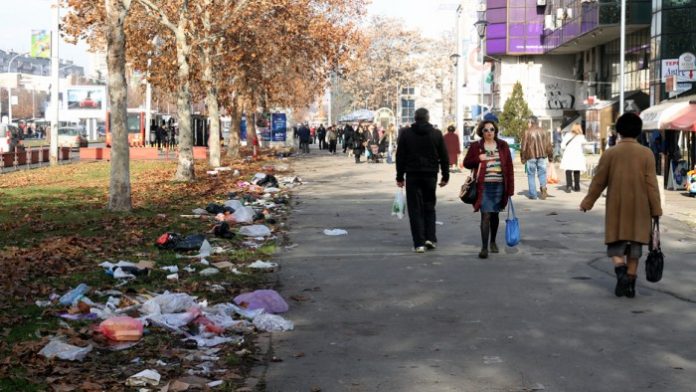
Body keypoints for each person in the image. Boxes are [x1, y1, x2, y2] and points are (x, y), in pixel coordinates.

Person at [580, 113, 662, 298]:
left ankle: (620, 272)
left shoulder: (611, 153)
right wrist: (656, 210)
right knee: (635, 250)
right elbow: (652, 185)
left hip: (617, 210)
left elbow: (598, 182)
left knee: (615, 249)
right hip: (640, 211)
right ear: (639, 131)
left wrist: (587, 202)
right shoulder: (646, 154)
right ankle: (630, 284)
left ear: (619, 131)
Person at [396, 108, 449, 253]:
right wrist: (445, 176)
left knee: (415, 209)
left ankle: (419, 243)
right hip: (430, 175)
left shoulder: (406, 134)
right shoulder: (436, 134)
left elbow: (400, 156)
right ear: (428, 117)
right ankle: (430, 238)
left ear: (415, 118)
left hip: (412, 174)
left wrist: (399, 177)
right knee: (429, 206)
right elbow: (444, 156)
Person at [463, 120, 515, 259]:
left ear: (495, 131)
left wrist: (510, 189)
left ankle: (493, 241)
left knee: (494, 215)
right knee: (485, 215)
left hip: (499, 186)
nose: (489, 132)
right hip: (483, 186)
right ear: (482, 132)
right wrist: (479, 158)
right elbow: (466, 163)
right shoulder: (476, 146)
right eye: (486, 130)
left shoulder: (503, 146)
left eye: (492, 129)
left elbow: (509, 168)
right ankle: (484, 247)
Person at [520, 116, 553, 200]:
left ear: (531, 122)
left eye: (528, 122)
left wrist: (523, 158)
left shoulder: (527, 132)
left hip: (530, 156)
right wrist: (550, 157)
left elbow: (523, 147)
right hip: (542, 156)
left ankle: (533, 194)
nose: (528, 124)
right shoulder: (544, 131)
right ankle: (543, 187)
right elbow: (549, 145)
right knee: (542, 173)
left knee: (531, 175)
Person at [560, 123, 587, 193]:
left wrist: (566, 148)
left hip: (568, 155)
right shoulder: (581, 136)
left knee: (568, 170)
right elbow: (585, 146)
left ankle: (569, 185)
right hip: (577, 155)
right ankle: (577, 187)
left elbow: (562, 145)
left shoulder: (567, 135)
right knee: (577, 170)